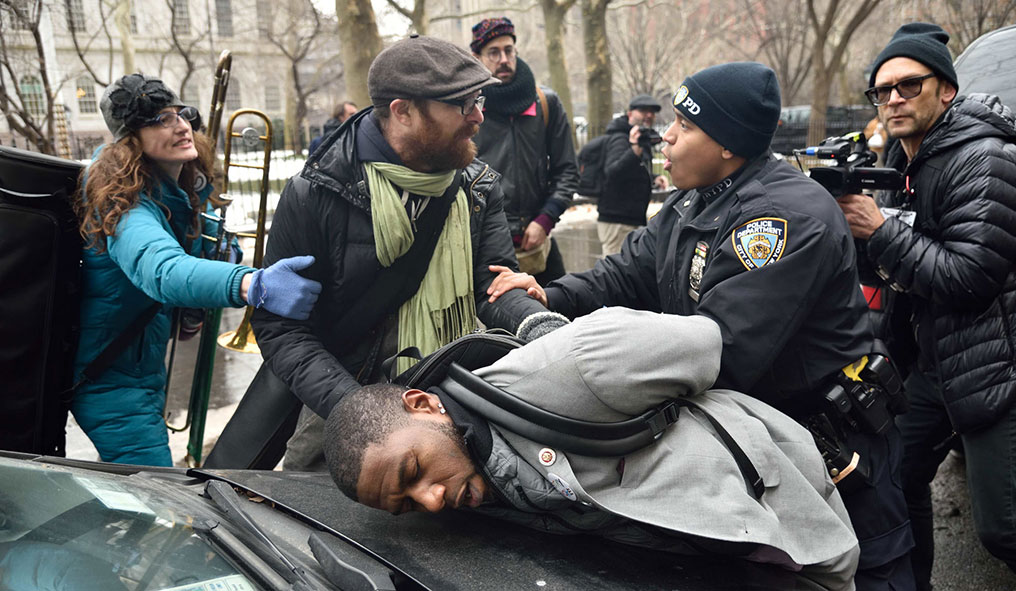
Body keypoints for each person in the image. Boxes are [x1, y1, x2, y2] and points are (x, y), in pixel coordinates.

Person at [487, 62, 915, 590]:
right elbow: (628, 270)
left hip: (836, 447)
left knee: (871, 572)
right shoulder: (695, 198)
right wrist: (548, 293)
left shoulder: (781, 218)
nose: (666, 134)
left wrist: (602, 370)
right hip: (766, 436)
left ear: (729, 145)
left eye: (686, 126)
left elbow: (722, 348)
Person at [325, 308, 861, 590]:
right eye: (406, 505)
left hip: (790, 534)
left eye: (413, 470)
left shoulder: (576, 363)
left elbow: (704, 345)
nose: (431, 501)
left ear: (423, 404)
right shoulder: (459, 489)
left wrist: (612, 387)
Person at [250, 36, 559, 472]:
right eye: (462, 104)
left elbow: (493, 284)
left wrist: (541, 328)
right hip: (344, 404)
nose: (478, 116)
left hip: (452, 394)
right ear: (403, 112)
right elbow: (281, 329)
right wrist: (359, 408)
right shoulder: (314, 194)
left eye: (479, 99)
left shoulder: (477, 187)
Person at [836, 23, 1016, 591]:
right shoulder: (907, 161)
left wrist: (879, 231)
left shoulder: (985, 160)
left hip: (1002, 359)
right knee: (898, 482)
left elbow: (970, 279)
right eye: (882, 92)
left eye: (909, 85)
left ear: (946, 90)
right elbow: (899, 266)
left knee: (1007, 529)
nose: (894, 100)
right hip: (937, 360)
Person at [74, 74, 321, 466]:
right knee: (155, 498)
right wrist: (252, 284)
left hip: (141, 366)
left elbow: (215, 249)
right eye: (159, 120)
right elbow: (163, 272)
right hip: (109, 378)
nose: (181, 126)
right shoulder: (121, 200)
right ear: (129, 140)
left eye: (180, 114)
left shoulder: (176, 186)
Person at [469, 17, 579, 284]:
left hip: (537, 242)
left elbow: (567, 171)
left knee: (559, 315)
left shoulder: (545, 102)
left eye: (509, 50)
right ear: (477, 57)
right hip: (483, 243)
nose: (503, 59)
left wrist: (545, 219)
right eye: (493, 52)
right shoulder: (467, 109)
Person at [596, 94, 661, 257]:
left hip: (632, 218)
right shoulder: (619, 138)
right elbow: (613, 172)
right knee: (614, 276)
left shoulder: (641, 139)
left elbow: (635, 171)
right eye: (643, 111)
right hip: (617, 220)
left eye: (652, 112)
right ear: (630, 113)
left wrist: (653, 178)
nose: (649, 115)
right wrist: (633, 148)